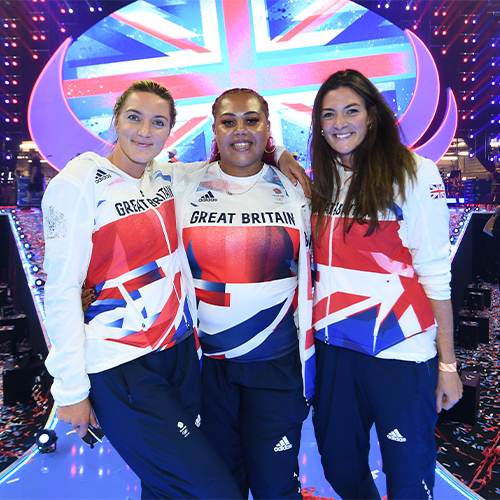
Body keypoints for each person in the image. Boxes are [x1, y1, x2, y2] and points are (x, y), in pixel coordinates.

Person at [42, 80, 244, 500]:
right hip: (122, 363)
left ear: (170, 131)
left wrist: (278, 153)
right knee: (215, 489)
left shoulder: (165, 175)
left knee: (165, 486)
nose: (144, 131)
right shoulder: (81, 181)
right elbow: (60, 290)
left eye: (158, 122)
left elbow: (230, 163)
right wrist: (71, 390)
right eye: (134, 117)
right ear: (115, 119)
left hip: (180, 352)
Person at [309, 69, 462, 499]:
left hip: (400, 348)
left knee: (408, 475)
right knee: (339, 466)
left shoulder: (414, 172)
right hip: (335, 348)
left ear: (372, 115)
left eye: (351, 110)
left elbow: (435, 274)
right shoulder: (321, 179)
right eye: (329, 114)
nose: (340, 122)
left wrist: (447, 365)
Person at [173, 88, 314, 499]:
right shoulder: (183, 182)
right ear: (213, 128)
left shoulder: (296, 190)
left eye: (252, 120)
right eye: (228, 121)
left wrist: (281, 155)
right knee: (222, 489)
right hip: (208, 371)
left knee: (276, 488)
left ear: (267, 128)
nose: (240, 130)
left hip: (277, 367)